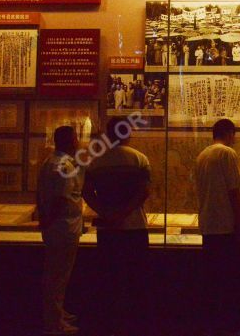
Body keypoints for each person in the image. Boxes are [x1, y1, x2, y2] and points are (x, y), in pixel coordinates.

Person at [83, 117, 151, 336]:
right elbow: (144, 192)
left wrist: (107, 213)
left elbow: (87, 192)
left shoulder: (95, 161)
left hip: (108, 229)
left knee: (108, 280)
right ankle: (137, 325)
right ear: (127, 133)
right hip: (134, 227)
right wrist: (124, 213)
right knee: (136, 280)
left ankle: (108, 325)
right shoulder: (139, 159)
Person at [192, 119, 240, 334]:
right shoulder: (227, 154)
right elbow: (234, 192)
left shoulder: (201, 156)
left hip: (208, 226)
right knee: (230, 281)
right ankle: (230, 326)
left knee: (212, 281)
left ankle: (212, 325)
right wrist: (239, 225)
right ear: (229, 133)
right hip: (226, 228)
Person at [37, 126, 84, 335]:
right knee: (58, 277)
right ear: (69, 141)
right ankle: (54, 323)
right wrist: (51, 221)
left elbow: (40, 195)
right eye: (75, 138)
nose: (78, 142)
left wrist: (44, 221)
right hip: (63, 227)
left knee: (55, 276)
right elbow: (61, 198)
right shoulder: (65, 166)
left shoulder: (49, 162)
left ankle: (58, 313)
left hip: (55, 227)